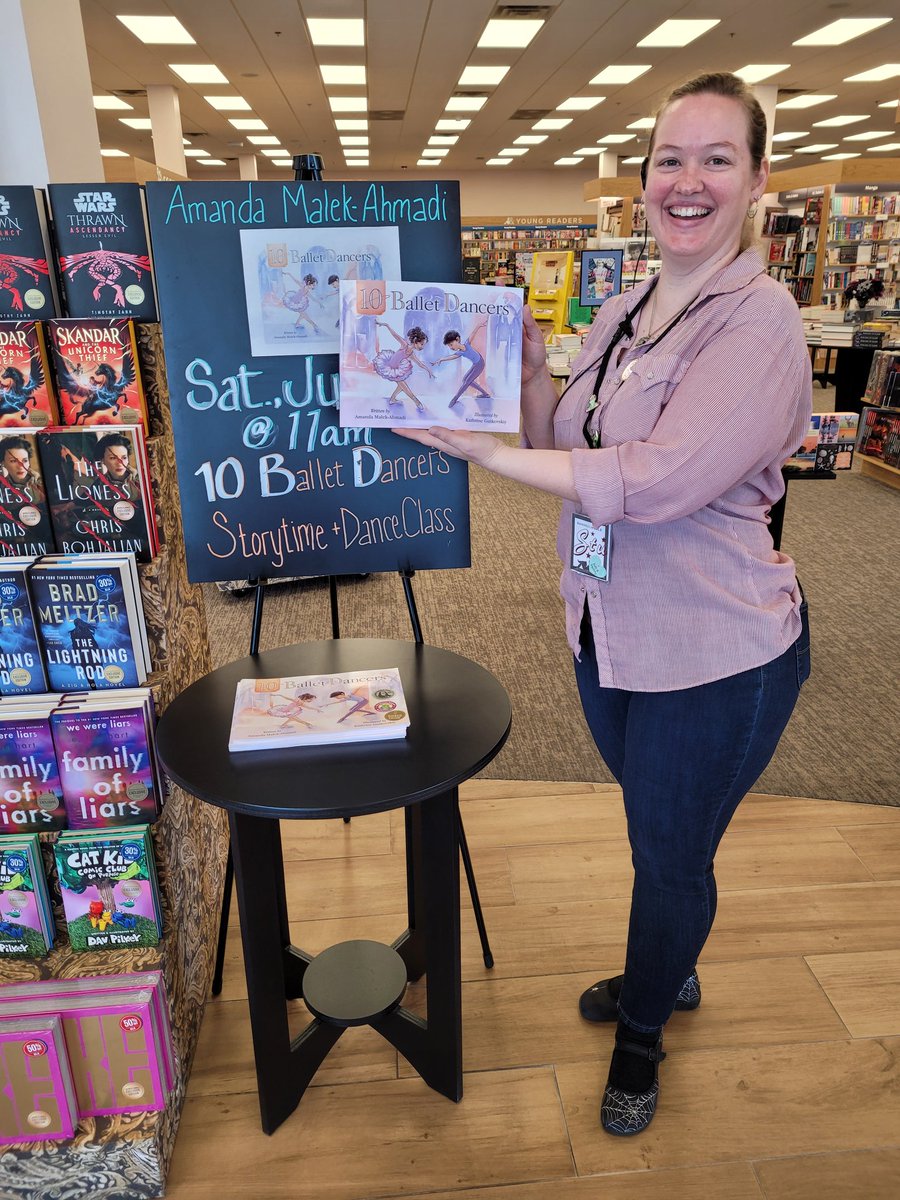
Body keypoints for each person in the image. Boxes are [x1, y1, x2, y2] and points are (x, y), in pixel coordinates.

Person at [393, 72, 812, 1137]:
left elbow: (660, 479)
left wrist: (484, 455)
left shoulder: (758, 321)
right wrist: (530, 375)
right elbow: (569, 445)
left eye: (718, 159)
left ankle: (643, 1030)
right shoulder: (628, 302)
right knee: (659, 833)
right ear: (642, 181)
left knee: (671, 854)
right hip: (609, 631)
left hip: (715, 648)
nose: (688, 180)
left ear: (759, 179)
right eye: (670, 158)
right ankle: (667, 966)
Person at [431, 320, 491, 410]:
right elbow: (451, 357)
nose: (451, 347)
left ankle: (455, 398)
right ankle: (485, 394)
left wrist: (478, 325)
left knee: (467, 382)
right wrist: (441, 359)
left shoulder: (467, 343)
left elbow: (473, 333)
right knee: (465, 380)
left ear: (457, 339)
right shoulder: (459, 353)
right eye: (449, 346)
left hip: (480, 364)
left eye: (451, 344)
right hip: (476, 364)